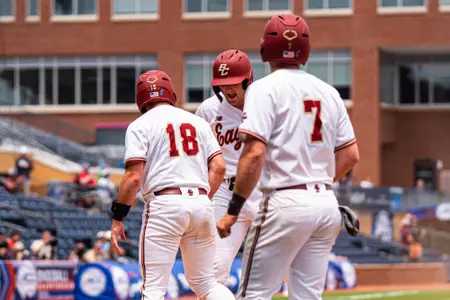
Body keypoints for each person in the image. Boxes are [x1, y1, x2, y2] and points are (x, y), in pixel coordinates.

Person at [216, 14, 360, 300]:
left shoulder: (263, 89)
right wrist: (315, 187)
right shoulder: (329, 92)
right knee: (307, 296)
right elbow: (351, 155)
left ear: (264, 49)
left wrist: (233, 211)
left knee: (253, 294)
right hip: (325, 204)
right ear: (305, 51)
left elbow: (254, 153)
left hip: (284, 202)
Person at [109, 70, 235, 300]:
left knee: (154, 289)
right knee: (206, 284)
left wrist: (118, 217)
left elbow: (133, 177)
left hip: (164, 203)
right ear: (171, 94)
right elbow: (219, 167)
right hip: (200, 200)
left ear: (141, 98)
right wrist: (202, 200)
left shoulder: (140, 125)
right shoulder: (197, 122)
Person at [195, 49, 261, 285]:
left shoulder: (264, 103)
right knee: (213, 269)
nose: (227, 88)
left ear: (246, 80)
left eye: (233, 82)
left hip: (263, 189)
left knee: (262, 272)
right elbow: (199, 155)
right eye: (222, 83)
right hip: (225, 191)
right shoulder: (208, 110)